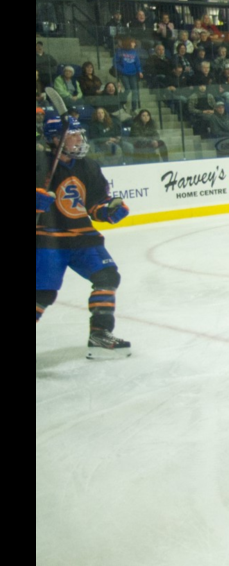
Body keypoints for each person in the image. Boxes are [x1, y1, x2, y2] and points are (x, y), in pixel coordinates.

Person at [36, 117, 131, 355]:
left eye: (80, 134)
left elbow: (94, 204)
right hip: (48, 239)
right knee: (42, 293)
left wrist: (109, 210)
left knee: (108, 276)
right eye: (74, 135)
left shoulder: (89, 166)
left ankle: (99, 334)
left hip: (83, 237)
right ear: (56, 139)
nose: (80, 139)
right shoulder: (38, 163)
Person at [114, 37, 144, 111]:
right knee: (127, 89)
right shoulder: (120, 51)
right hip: (124, 74)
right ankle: (122, 101)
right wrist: (121, 69)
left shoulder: (134, 52)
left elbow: (137, 63)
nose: (134, 44)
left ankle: (134, 107)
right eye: (133, 42)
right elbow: (115, 62)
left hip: (133, 73)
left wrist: (139, 71)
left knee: (134, 90)